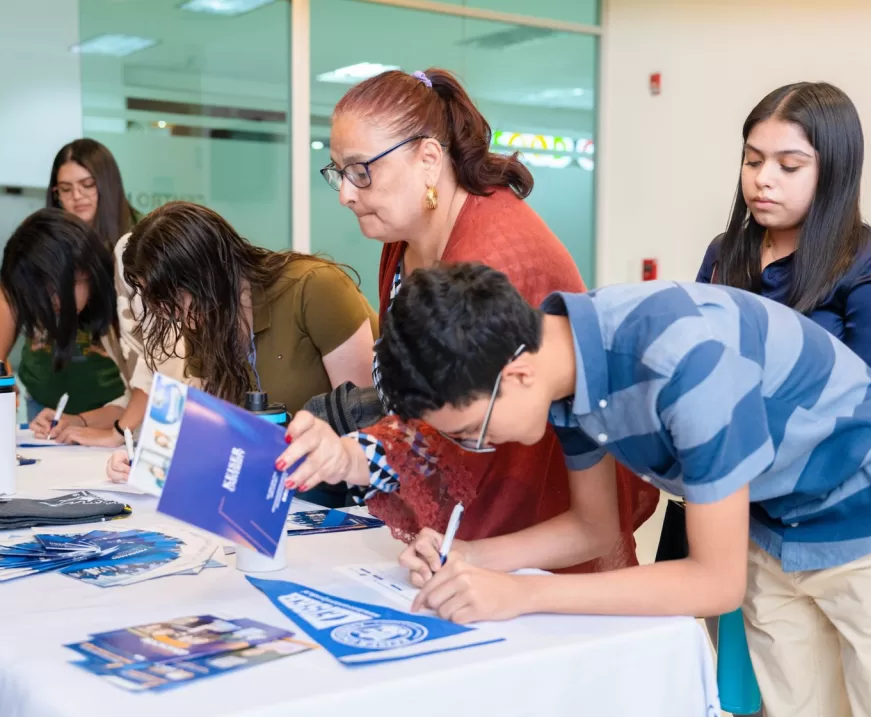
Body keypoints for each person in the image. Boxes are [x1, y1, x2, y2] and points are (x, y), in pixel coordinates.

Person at [303, 263, 871, 717]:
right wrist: (474, 557)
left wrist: (525, 592)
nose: (480, 446)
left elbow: (714, 582)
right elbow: (593, 527)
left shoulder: (683, 360)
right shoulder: (566, 368)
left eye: (473, 430)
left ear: (519, 374)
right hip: (775, 521)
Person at [280, 68, 658, 568]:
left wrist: (355, 455)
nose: (346, 193)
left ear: (429, 158)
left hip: (536, 520)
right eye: (338, 173)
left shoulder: (497, 258)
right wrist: (349, 454)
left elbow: (458, 424)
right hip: (474, 515)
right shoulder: (404, 240)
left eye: (361, 171)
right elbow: (424, 400)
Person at [104, 202, 378, 508]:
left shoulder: (314, 288)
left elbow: (368, 423)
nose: (170, 314)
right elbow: (221, 433)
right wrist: (149, 458)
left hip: (345, 503)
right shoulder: (203, 315)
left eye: (173, 298)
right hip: (270, 500)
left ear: (207, 276)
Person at [697, 82, 871, 395]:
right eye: (753, 161)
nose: (762, 179)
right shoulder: (724, 251)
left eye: (789, 166)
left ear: (834, 171)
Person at [0, 139, 139, 422]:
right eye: (65, 189)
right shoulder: (38, 236)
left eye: (87, 185)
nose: (77, 196)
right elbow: (7, 300)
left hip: (115, 404)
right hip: (44, 400)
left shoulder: (135, 243)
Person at [0, 209, 134, 438]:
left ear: (82, 268)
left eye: (53, 289)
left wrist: (114, 434)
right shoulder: (95, 308)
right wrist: (79, 421)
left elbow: (159, 393)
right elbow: (135, 397)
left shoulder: (130, 293)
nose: (51, 304)